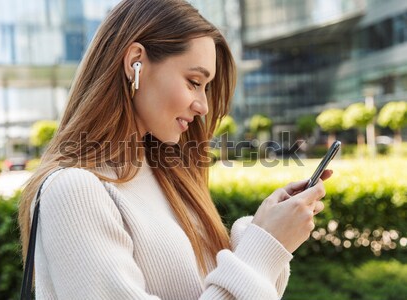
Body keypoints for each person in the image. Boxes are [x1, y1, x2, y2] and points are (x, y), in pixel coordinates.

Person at [18, 0, 332, 299]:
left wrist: (264, 231)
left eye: (205, 87)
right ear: (135, 62)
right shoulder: (74, 190)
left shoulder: (169, 176)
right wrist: (265, 245)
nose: (204, 106)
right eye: (194, 81)